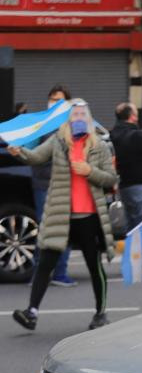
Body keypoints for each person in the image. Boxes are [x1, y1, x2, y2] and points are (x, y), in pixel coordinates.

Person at [9, 100, 118, 331]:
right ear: (68, 120)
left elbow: (111, 179)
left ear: (88, 119)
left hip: (88, 216)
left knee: (94, 265)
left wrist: (90, 171)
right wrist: (20, 152)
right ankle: (31, 313)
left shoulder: (99, 146)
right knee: (45, 263)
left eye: (82, 114)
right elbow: (37, 157)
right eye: (74, 114)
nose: (78, 118)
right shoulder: (58, 141)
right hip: (61, 214)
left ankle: (100, 313)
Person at [31, 85, 76, 287]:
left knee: (63, 229)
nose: (54, 103)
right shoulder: (41, 125)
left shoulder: (73, 126)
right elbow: (34, 152)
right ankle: (39, 273)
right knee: (45, 229)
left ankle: (60, 272)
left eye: (58, 100)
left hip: (65, 184)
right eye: (51, 99)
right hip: (43, 183)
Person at [108, 102, 142, 229]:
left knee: (132, 226)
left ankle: (133, 249)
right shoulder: (136, 136)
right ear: (133, 116)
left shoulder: (113, 136)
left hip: (124, 186)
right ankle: (138, 249)